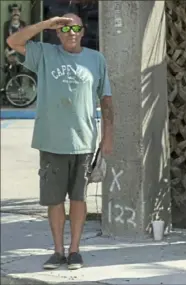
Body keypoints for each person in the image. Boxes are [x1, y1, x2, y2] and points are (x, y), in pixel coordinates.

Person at [6, 13, 114, 270]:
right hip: (51, 141)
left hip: (84, 142)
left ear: (83, 31)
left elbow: (106, 99)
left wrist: (108, 135)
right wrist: (44, 24)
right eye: (64, 28)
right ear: (57, 31)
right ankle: (57, 251)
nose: (70, 32)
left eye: (75, 27)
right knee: (55, 200)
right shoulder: (44, 53)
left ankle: (75, 251)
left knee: (79, 199)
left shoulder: (96, 59)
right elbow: (13, 41)